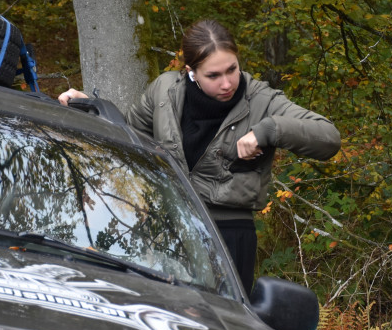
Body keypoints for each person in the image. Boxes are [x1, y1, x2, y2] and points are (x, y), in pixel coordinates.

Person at [58, 19, 340, 294]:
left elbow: (328, 137)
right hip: (163, 226)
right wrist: (90, 107)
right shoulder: (165, 91)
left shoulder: (262, 100)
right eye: (214, 76)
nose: (228, 83)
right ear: (191, 71)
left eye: (232, 69)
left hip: (227, 237)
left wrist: (269, 129)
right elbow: (124, 135)